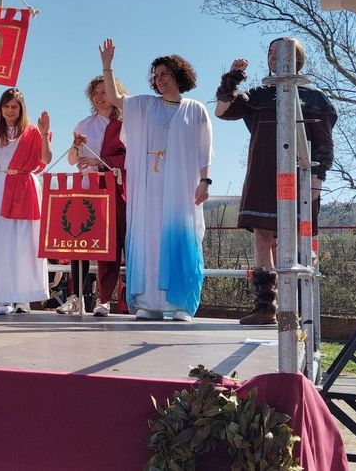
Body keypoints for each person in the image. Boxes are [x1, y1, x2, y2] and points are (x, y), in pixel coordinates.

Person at [216, 38, 337, 325]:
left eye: (283, 53)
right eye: (271, 53)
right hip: (262, 173)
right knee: (262, 237)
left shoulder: (315, 98)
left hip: (299, 176)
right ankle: (265, 306)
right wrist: (232, 78)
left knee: (294, 241)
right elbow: (222, 112)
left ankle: (294, 309)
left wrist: (317, 178)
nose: (275, 57)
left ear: (299, 58)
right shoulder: (258, 95)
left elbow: (324, 142)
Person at [99, 39, 212, 321]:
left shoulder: (195, 109)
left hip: (180, 190)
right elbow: (114, 98)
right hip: (148, 190)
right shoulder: (145, 106)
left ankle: (181, 305)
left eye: (165, 74)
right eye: (156, 76)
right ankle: (148, 303)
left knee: (181, 238)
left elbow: (204, 149)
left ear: (178, 75)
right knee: (148, 239)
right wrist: (107, 66)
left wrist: (205, 181)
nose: (159, 80)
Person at [0, 88, 53, 315]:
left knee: (24, 243)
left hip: (25, 187)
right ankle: (1, 297)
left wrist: (45, 134)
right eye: (6, 106)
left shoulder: (33, 132)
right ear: (0, 108)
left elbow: (45, 159)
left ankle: (23, 297)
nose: (9, 110)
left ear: (21, 109)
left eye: (14, 106)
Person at [57, 75, 129, 317]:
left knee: (109, 245)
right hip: (85, 188)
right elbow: (71, 160)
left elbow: (128, 159)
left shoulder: (125, 125)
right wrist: (77, 147)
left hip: (111, 189)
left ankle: (105, 299)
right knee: (79, 242)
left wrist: (101, 163)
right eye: (95, 93)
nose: (99, 96)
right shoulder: (84, 124)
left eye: (104, 91)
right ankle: (76, 298)